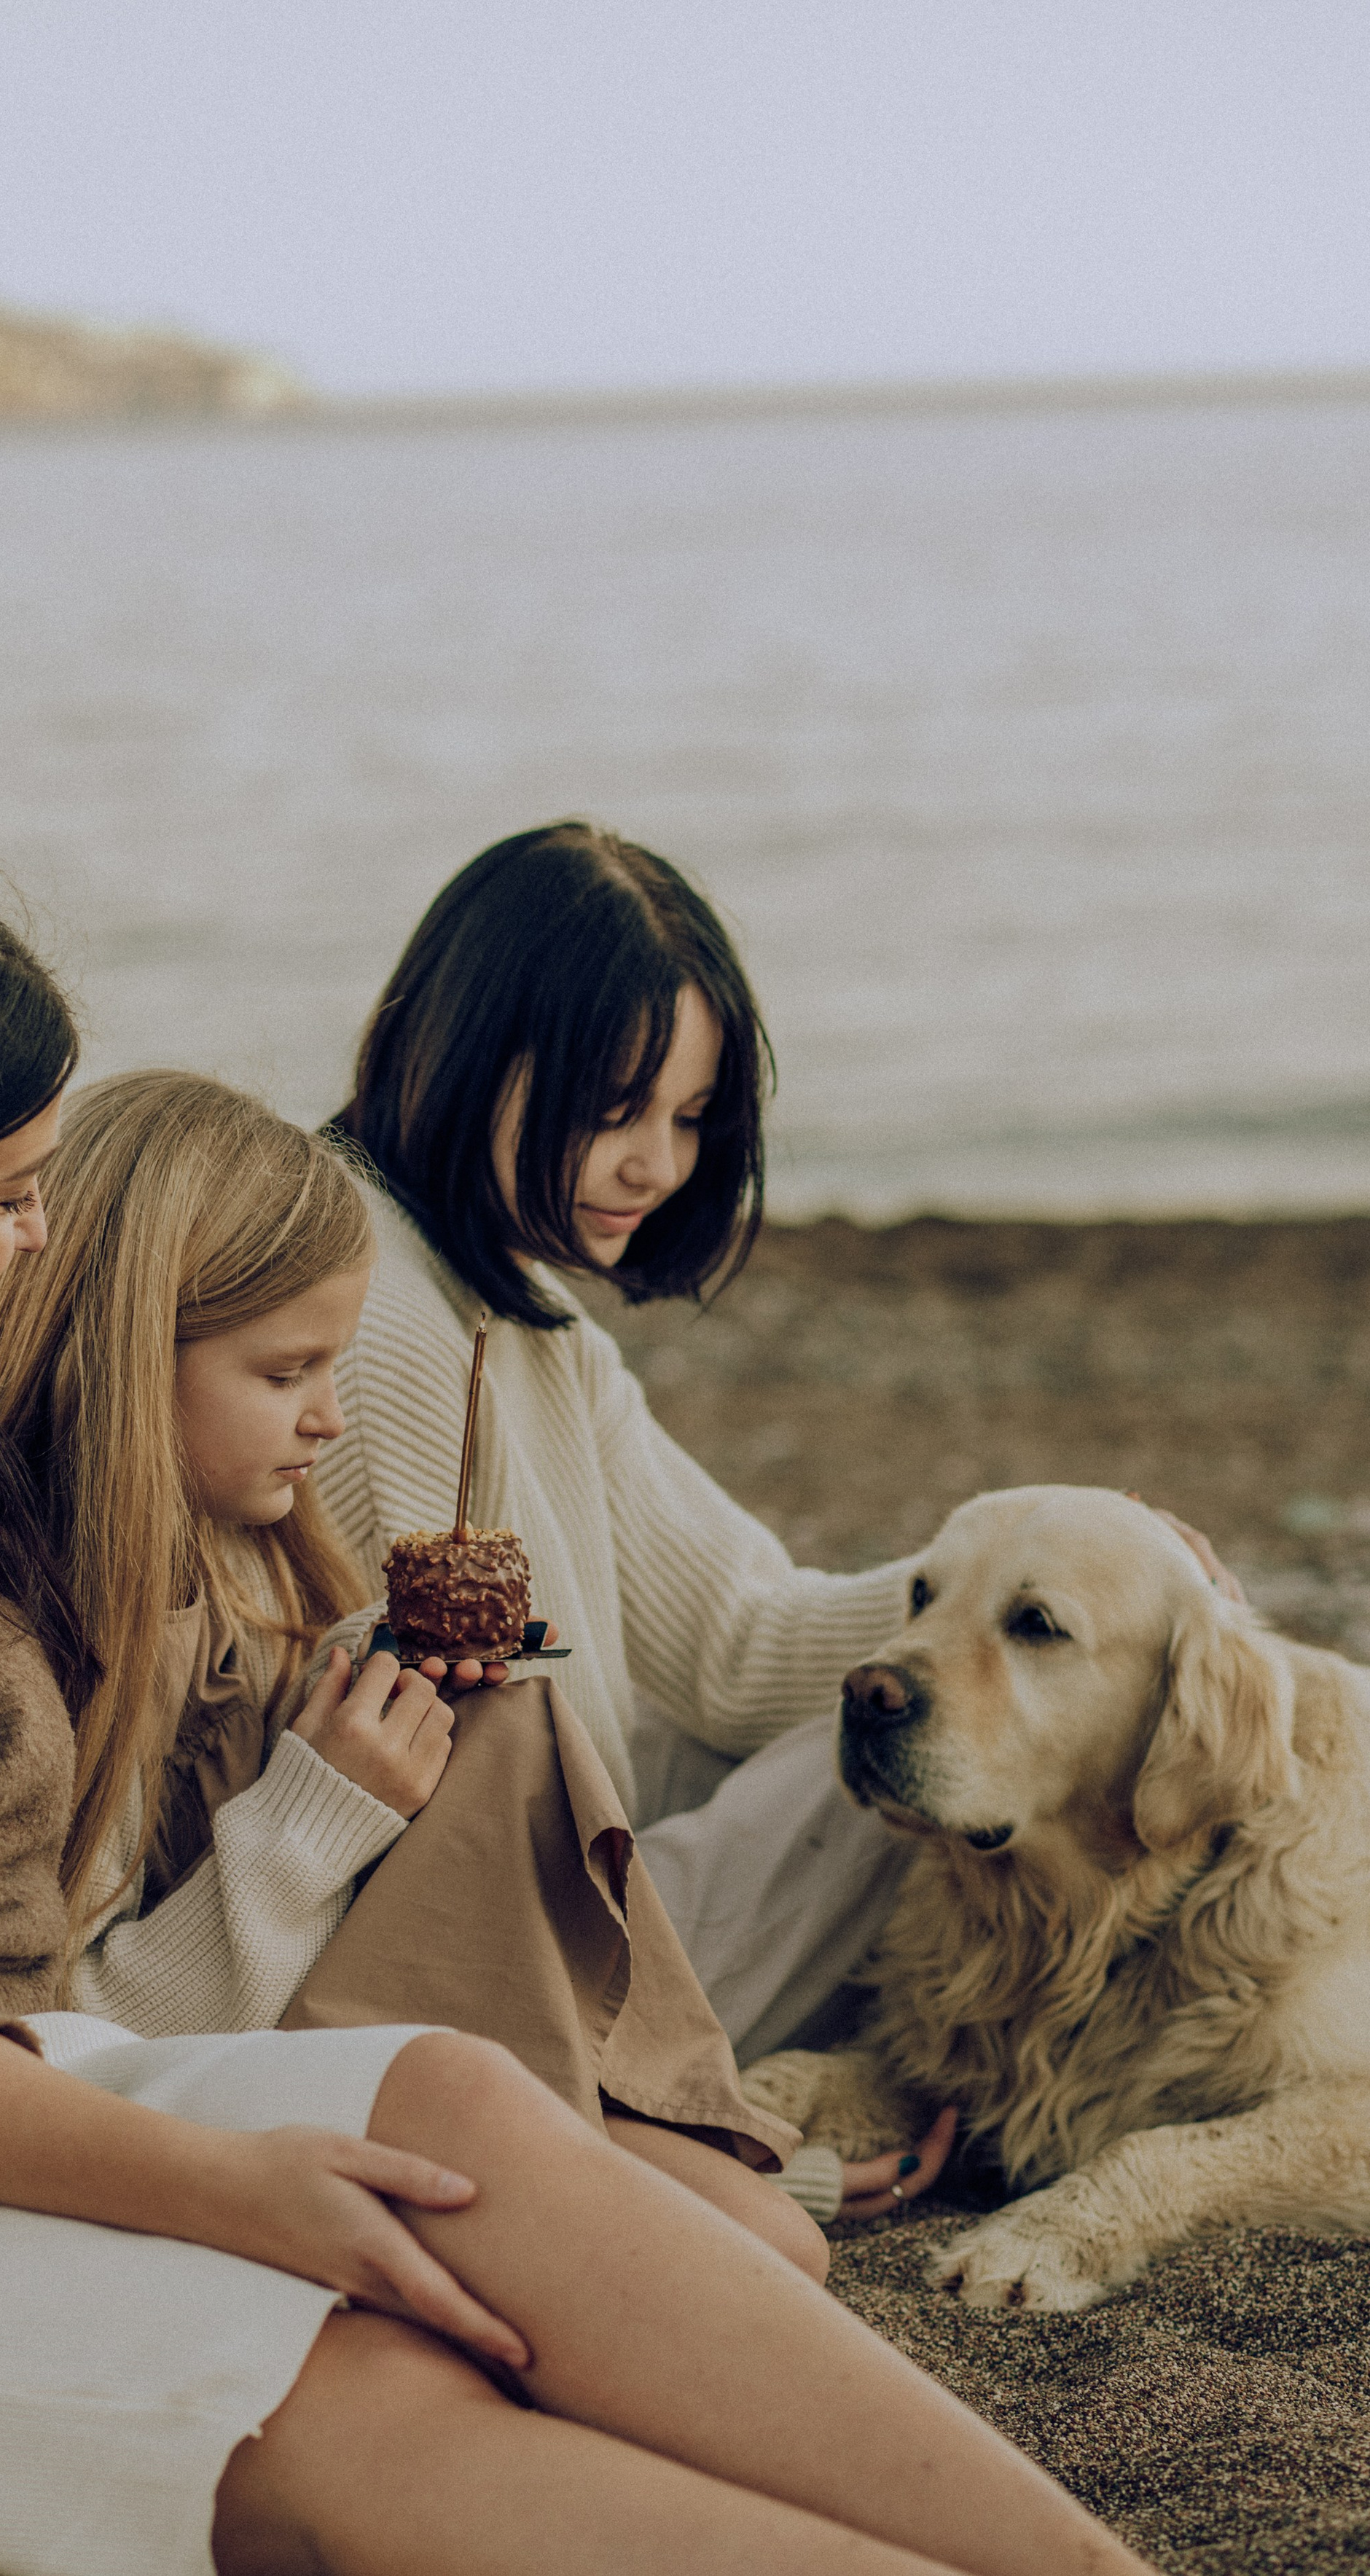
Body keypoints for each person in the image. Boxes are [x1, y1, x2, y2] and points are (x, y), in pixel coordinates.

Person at [0, 847, 1159, 2576]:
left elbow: (212, 1648)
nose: (38, 1237)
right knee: (349, 2385)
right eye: (5, 1189)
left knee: (448, 2108)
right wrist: (224, 2183)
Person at [320, 822, 1222, 2222]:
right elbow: (438, 1820)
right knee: (948, 1746)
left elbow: (739, 1642)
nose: (653, 1167)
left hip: (555, 1868)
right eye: (612, 1108)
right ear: (460, 1049)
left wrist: (1013, 1588)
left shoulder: (529, 1324)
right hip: (504, 1961)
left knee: (920, 1699)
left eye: (689, 1120)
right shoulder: (372, 1316)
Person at [0, 1067, 809, 2254]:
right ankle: (593, 2133)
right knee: (771, 2249)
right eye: (283, 1374)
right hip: (219, 2097)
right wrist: (319, 1812)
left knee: (775, 2232)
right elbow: (83, 2035)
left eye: (335, 1368)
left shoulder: (252, 1557)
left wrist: (370, 1678)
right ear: (132, 1351)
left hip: (344, 2011)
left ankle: (620, 2107)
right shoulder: (49, 1643)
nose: (330, 1418)